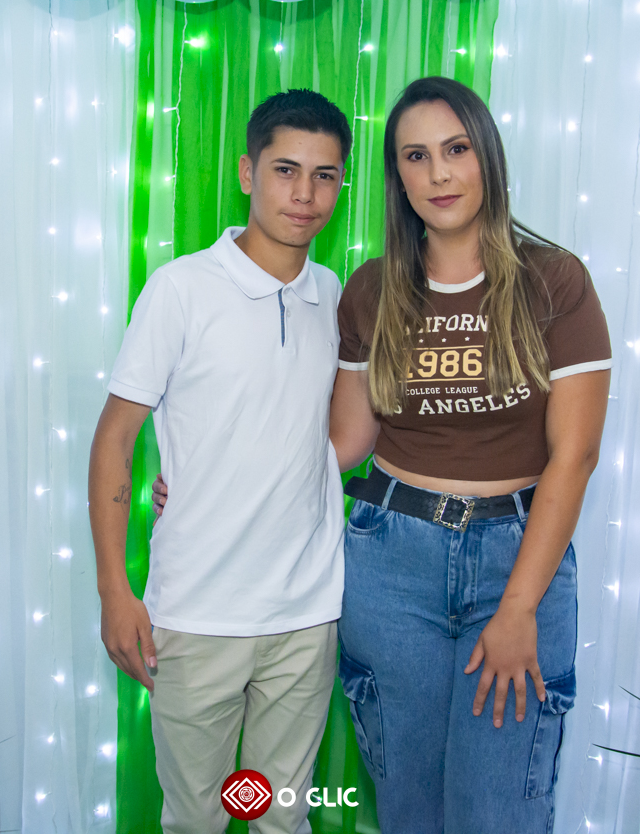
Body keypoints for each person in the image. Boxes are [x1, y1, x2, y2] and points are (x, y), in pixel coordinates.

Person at [330, 75, 611, 832]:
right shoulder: (371, 290)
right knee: (409, 812)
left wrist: (518, 607)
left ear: (487, 155)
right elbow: (346, 442)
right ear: (397, 176)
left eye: (456, 150)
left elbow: (575, 455)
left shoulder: (554, 281)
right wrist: (223, 481)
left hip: (516, 561)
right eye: (415, 157)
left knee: (499, 813)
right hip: (391, 564)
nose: (439, 174)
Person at [87, 90, 352, 834]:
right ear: (247, 172)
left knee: (282, 820)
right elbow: (114, 439)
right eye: (285, 170)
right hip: (197, 614)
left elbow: (314, 434)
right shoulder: (180, 289)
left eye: (325, 176)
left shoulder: (332, 295)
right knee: (196, 820)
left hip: (306, 613)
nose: (304, 194)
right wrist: (114, 592)